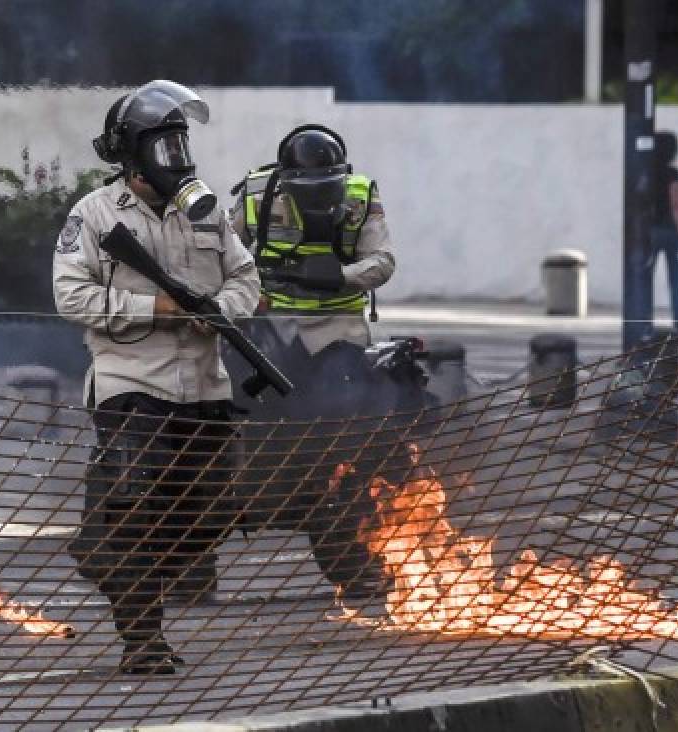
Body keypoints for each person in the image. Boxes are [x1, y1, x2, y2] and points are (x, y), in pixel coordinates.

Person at [54, 80, 260, 674]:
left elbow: (245, 279)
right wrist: (162, 308)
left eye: (181, 142)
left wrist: (224, 308)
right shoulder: (93, 215)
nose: (177, 155)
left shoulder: (208, 211)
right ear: (133, 154)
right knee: (135, 503)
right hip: (130, 384)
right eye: (164, 144)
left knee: (209, 517)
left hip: (204, 385)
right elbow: (71, 296)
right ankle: (143, 637)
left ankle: (108, 555)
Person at [228, 125, 396, 607]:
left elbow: (383, 261)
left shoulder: (362, 195)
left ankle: (357, 556)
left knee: (346, 434)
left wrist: (338, 275)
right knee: (217, 416)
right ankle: (189, 558)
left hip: (337, 327)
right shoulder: (256, 194)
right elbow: (217, 252)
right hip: (269, 327)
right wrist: (244, 292)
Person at [648, 131, 678, 335]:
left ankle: (644, 322)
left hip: (651, 230)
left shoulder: (646, 171)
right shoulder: (673, 173)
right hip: (670, 232)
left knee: (646, 278)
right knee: (676, 280)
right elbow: (675, 206)